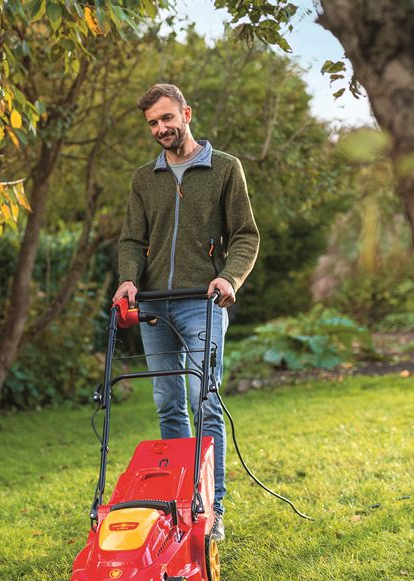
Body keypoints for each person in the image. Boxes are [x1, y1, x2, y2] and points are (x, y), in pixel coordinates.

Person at [112, 83, 259, 542]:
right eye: (153, 123)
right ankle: (180, 504)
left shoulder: (224, 169)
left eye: (167, 119)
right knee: (169, 406)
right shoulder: (144, 179)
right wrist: (129, 278)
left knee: (205, 399)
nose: (160, 129)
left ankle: (212, 510)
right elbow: (132, 241)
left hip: (203, 303)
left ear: (186, 114)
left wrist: (228, 278)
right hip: (155, 308)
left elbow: (245, 236)